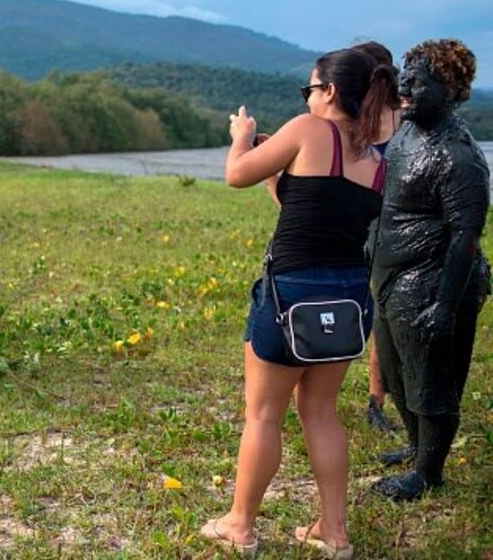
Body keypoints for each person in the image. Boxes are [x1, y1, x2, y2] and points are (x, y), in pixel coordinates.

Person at [201, 48, 396, 559]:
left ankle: (239, 525)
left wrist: (241, 140)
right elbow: (313, 211)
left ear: (329, 92)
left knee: (264, 415)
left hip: (291, 294)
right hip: (348, 297)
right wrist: (278, 179)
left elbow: (234, 174)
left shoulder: (309, 131)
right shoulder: (376, 161)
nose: (308, 99)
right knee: (322, 412)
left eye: (310, 89)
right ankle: (334, 532)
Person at [371, 39, 490, 501]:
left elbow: (466, 237)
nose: (405, 87)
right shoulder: (406, 133)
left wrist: (444, 305)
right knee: (398, 374)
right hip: (392, 281)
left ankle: (428, 472)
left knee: (432, 382)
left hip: (431, 283)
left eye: (418, 82)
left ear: (450, 89)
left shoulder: (459, 156)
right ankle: (418, 447)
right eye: (406, 76)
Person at [352, 41, 401, 433]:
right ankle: (377, 400)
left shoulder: (355, 117)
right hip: (391, 224)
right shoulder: (405, 114)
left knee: (375, 309)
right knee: (381, 311)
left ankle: (377, 399)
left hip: (370, 221)